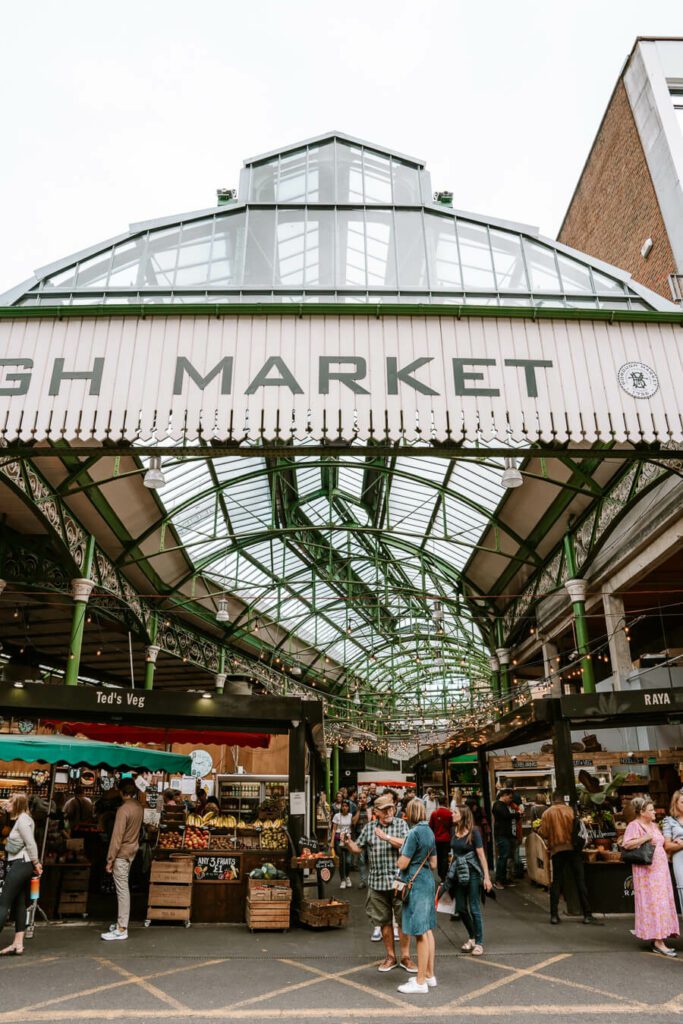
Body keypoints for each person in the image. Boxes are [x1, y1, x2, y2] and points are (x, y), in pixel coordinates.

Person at [344, 793, 417, 975]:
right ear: (376, 812)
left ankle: (406, 956)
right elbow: (357, 848)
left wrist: (386, 837)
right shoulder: (369, 828)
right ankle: (391, 956)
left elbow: (407, 845)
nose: (389, 812)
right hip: (377, 882)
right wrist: (347, 843)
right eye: (384, 810)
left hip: (399, 882)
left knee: (402, 921)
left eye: (391, 808)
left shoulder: (401, 824)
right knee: (383, 921)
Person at [622, 796, 679, 957]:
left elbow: (661, 843)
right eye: (651, 810)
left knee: (662, 903)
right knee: (654, 904)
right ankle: (658, 941)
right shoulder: (634, 825)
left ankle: (660, 937)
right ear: (641, 812)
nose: (655, 812)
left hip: (660, 871)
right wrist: (645, 838)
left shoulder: (654, 825)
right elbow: (626, 844)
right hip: (647, 874)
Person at [539, 790, 602, 926]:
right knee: (580, 881)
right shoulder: (571, 811)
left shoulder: (546, 813)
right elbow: (579, 830)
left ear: (553, 799)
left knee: (556, 882)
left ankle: (554, 915)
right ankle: (587, 914)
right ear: (563, 799)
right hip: (573, 849)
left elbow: (543, 832)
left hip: (557, 850)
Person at [395, 798, 437, 994]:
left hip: (415, 883)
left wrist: (400, 857)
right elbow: (434, 863)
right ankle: (429, 975)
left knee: (419, 932)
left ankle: (420, 982)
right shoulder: (429, 831)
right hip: (428, 879)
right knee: (427, 929)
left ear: (410, 813)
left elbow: (403, 864)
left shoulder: (413, 833)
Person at [100, 778, 144, 942]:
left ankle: (121, 928)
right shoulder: (139, 807)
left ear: (121, 791)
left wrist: (110, 859)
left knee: (122, 890)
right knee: (124, 888)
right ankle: (120, 923)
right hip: (132, 850)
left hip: (122, 853)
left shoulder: (123, 810)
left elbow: (116, 838)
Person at [447, 803, 492, 956]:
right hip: (458, 873)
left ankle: (478, 943)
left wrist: (487, 877)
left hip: (473, 873)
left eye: (454, 812)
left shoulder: (474, 832)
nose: (452, 814)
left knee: (474, 907)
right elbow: (454, 853)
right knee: (460, 907)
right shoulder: (453, 831)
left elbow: (481, 855)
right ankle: (472, 937)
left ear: (463, 815)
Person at [0, 794, 43, 956]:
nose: (7, 803)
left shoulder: (24, 820)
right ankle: (18, 943)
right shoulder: (19, 819)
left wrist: (36, 862)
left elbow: (30, 843)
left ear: (18, 804)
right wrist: (5, 808)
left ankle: (17, 942)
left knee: (3, 902)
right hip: (20, 863)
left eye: (11, 801)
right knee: (19, 903)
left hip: (22, 863)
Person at [663, 788, 683, 911]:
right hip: (680, 859)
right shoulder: (669, 821)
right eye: (682, 802)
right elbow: (667, 846)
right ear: (675, 803)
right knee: (682, 888)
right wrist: (681, 845)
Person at [491, 789, 515, 888]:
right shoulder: (498, 805)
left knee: (504, 857)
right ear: (504, 795)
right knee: (503, 857)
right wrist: (517, 814)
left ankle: (503, 879)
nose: (510, 800)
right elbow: (506, 816)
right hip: (501, 834)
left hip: (504, 834)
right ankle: (498, 880)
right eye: (509, 797)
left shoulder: (502, 805)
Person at [428, 795, 452, 881]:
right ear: (446, 802)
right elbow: (451, 826)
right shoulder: (449, 813)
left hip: (436, 839)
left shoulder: (434, 813)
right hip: (446, 838)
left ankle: (440, 873)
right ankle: (444, 875)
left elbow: (430, 826)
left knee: (438, 856)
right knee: (445, 857)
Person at [332, 799, 355, 889]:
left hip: (348, 838)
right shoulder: (337, 816)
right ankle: (342, 880)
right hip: (338, 838)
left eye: (346, 806)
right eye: (343, 806)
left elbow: (353, 826)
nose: (344, 807)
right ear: (341, 807)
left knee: (348, 861)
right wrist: (332, 842)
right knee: (341, 861)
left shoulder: (350, 816)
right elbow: (334, 829)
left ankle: (347, 877)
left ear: (348, 807)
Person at [354, 795, 372, 889]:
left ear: (366, 799)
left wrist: (366, 809)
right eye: (360, 798)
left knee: (371, 859)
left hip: (369, 837)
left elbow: (370, 820)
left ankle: (372, 880)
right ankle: (362, 881)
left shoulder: (370, 808)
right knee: (361, 860)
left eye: (364, 798)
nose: (362, 799)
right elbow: (354, 822)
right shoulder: (356, 809)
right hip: (359, 836)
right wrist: (358, 810)